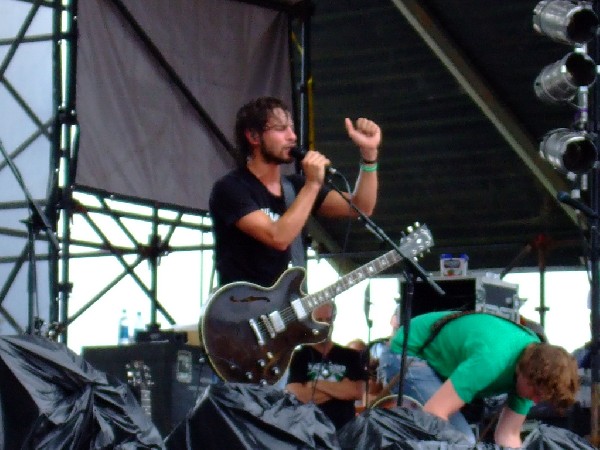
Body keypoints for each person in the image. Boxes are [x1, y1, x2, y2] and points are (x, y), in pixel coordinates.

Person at [209, 96, 381, 287]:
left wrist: (369, 156)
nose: (292, 136)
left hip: (283, 308)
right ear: (253, 137)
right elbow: (278, 237)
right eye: (281, 129)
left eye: (291, 128)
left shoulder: (295, 187)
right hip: (240, 310)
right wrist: (313, 184)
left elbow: (361, 206)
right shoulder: (231, 188)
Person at [381, 310, 579, 448]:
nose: (535, 401)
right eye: (536, 393)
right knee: (462, 441)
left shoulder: (532, 369)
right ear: (525, 373)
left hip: (439, 361)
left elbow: (507, 436)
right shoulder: (491, 361)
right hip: (408, 352)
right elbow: (435, 413)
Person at [286, 303, 367, 430]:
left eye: (328, 320)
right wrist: (340, 388)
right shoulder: (299, 356)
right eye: (319, 320)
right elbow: (297, 395)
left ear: (334, 320)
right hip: (309, 431)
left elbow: (357, 392)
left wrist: (315, 384)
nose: (324, 324)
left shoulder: (351, 356)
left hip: (344, 430)